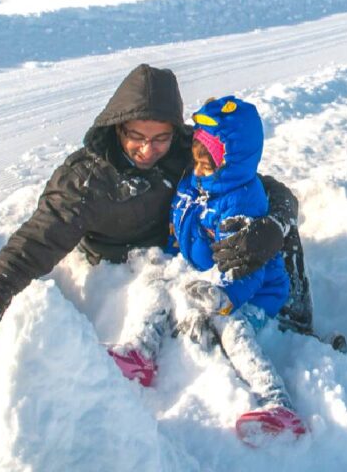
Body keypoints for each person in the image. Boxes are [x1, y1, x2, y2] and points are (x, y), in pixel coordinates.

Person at [0, 64, 313, 397]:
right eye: (136, 136)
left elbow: (260, 187)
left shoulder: (186, 150)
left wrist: (274, 224)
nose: (147, 149)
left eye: (160, 138)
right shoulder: (87, 180)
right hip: (132, 272)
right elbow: (31, 246)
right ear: (118, 126)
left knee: (268, 230)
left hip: (190, 255)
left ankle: (295, 327)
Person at [109, 95, 307, 443]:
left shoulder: (242, 201)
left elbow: (251, 268)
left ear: (231, 162)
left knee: (231, 326)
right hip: (205, 274)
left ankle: (277, 401)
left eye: (208, 165)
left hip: (252, 291)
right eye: (197, 161)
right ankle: (141, 351)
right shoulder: (194, 182)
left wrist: (226, 296)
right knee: (157, 286)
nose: (199, 170)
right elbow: (183, 224)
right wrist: (171, 258)